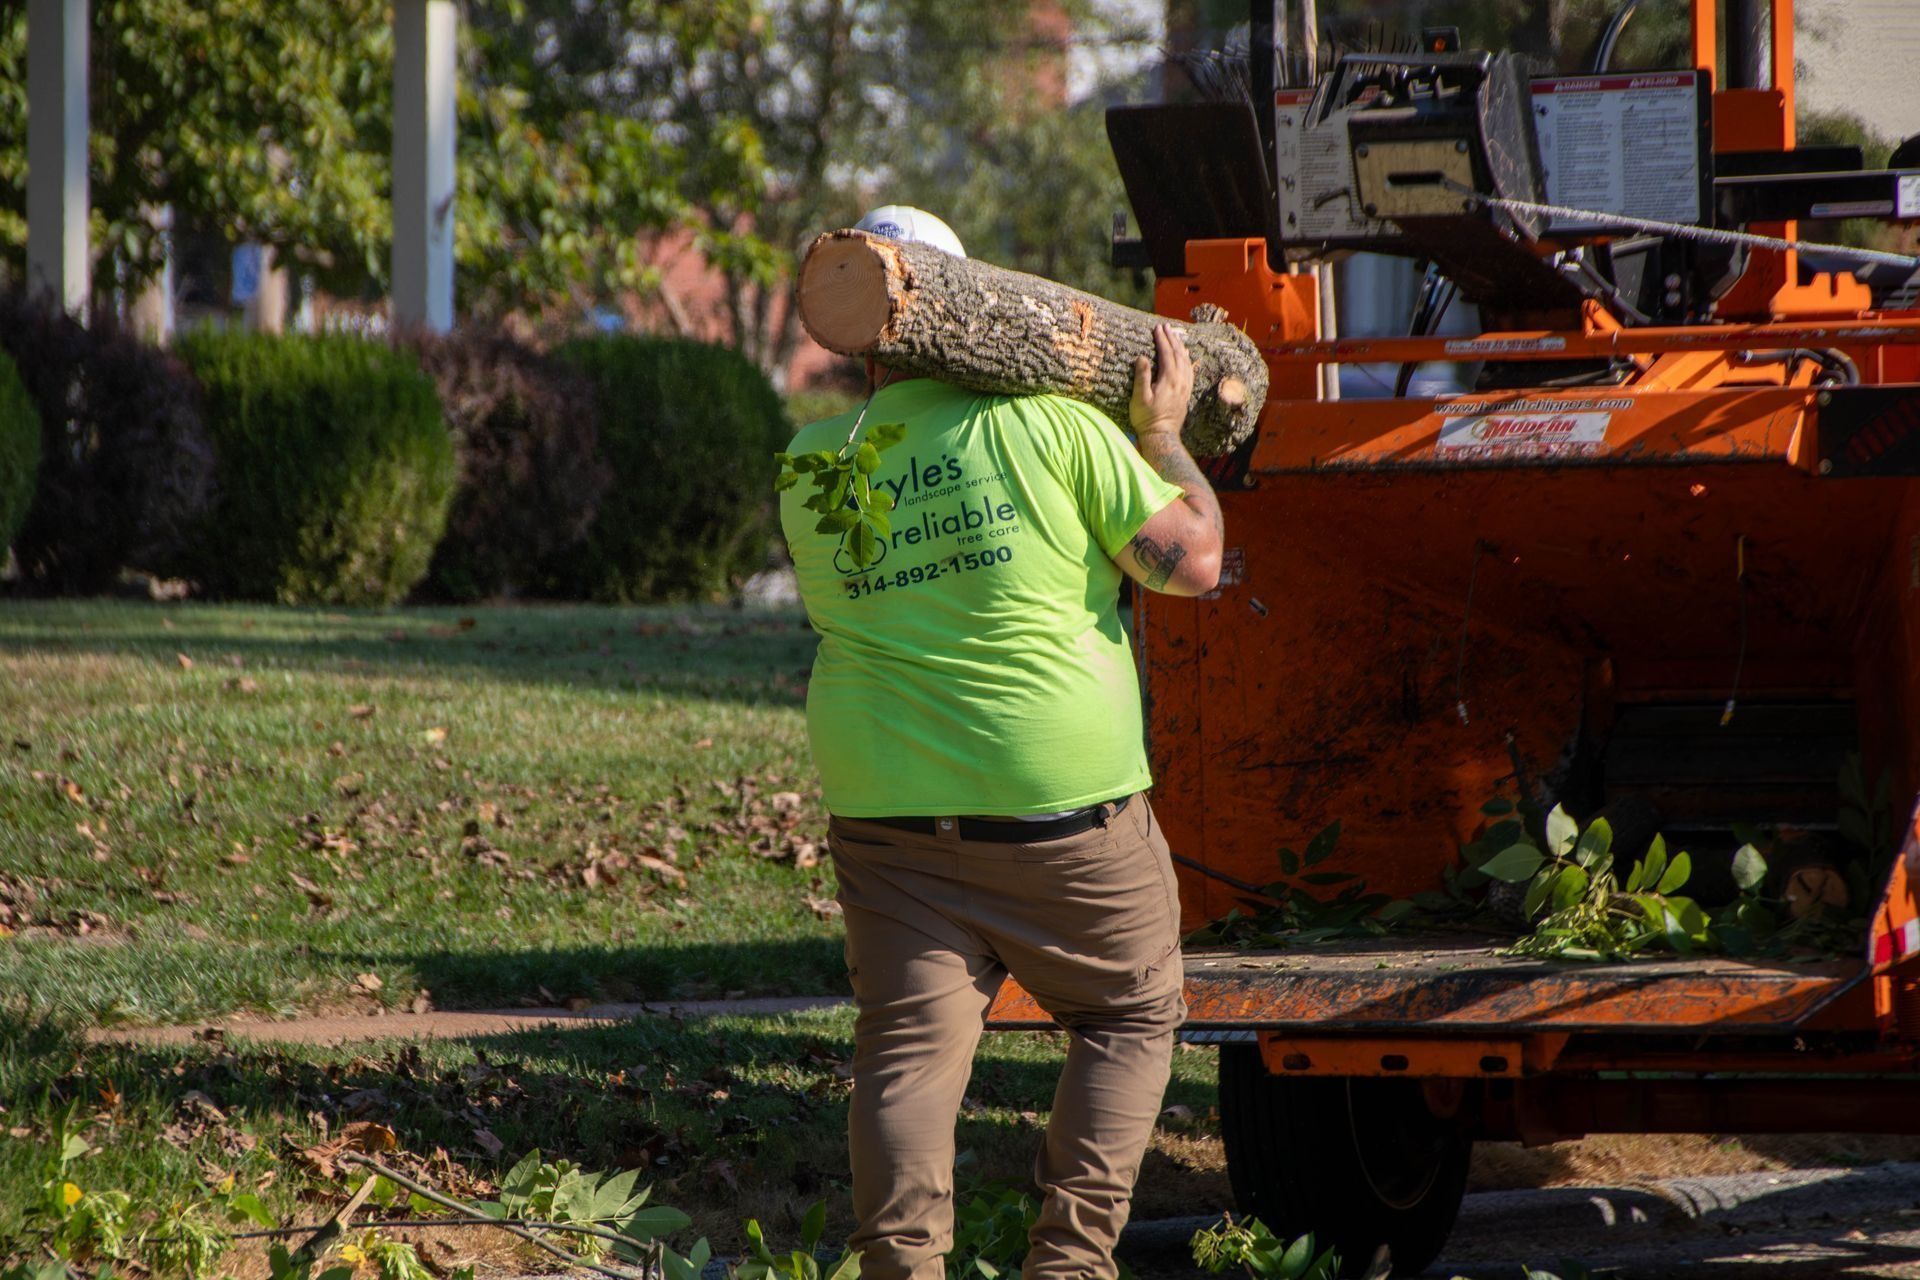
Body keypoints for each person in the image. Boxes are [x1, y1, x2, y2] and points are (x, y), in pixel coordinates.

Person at [778, 204, 1225, 1280]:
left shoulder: (808, 464)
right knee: (1128, 1010)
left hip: (886, 814)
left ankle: (901, 1266)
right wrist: (1162, 436)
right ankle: (1069, 1263)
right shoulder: (1054, 428)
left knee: (906, 1051)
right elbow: (1195, 563)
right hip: (1060, 816)